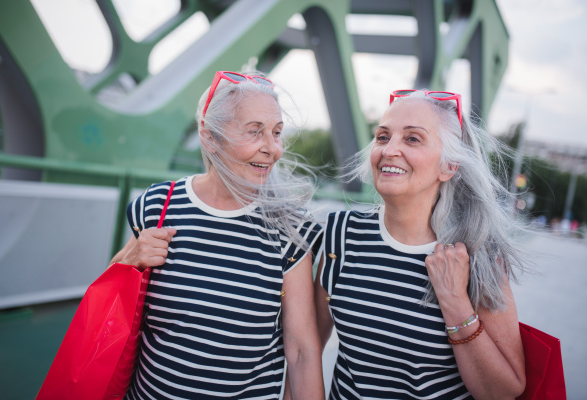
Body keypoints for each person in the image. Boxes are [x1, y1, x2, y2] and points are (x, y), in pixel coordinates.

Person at [110, 71, 325, 399]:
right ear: (209, 136)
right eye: (255, 132)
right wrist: (130, 259)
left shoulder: (290, 228)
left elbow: (301, 352)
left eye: (277, 133)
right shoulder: (159, 205)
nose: (272, 148)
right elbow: (111, 296)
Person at [315, 90, 527, 399]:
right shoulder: (340, 235)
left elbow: (504, 391)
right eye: (383, 137)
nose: (390, 150)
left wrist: (455, 302)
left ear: (449, 165)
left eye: (412, 139)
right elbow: (305, 349)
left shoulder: (475, 252)